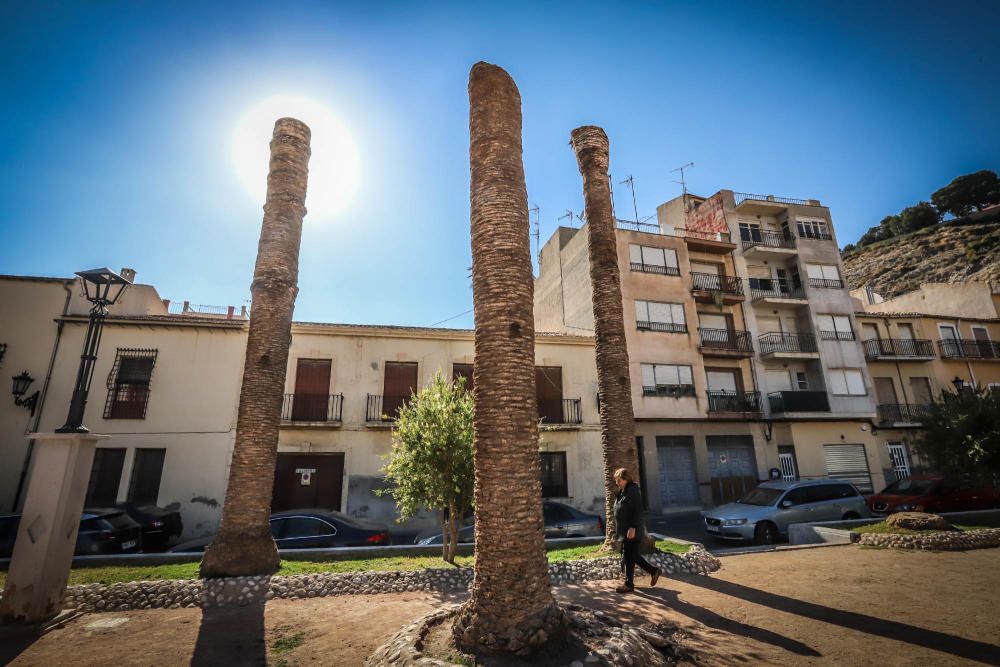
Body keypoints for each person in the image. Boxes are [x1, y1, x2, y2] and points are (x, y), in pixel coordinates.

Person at [613, 467, 661, 593]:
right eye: (616, 480)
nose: (617, 483)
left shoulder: (632, 491)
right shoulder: (623, 491)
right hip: (625, 531)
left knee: (630, 556)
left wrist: (633, 527)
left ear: (626, 479)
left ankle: (629, 584)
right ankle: (653, 571)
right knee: (631, 555)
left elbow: (638, 511)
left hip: (632, 530)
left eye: (619, 480)